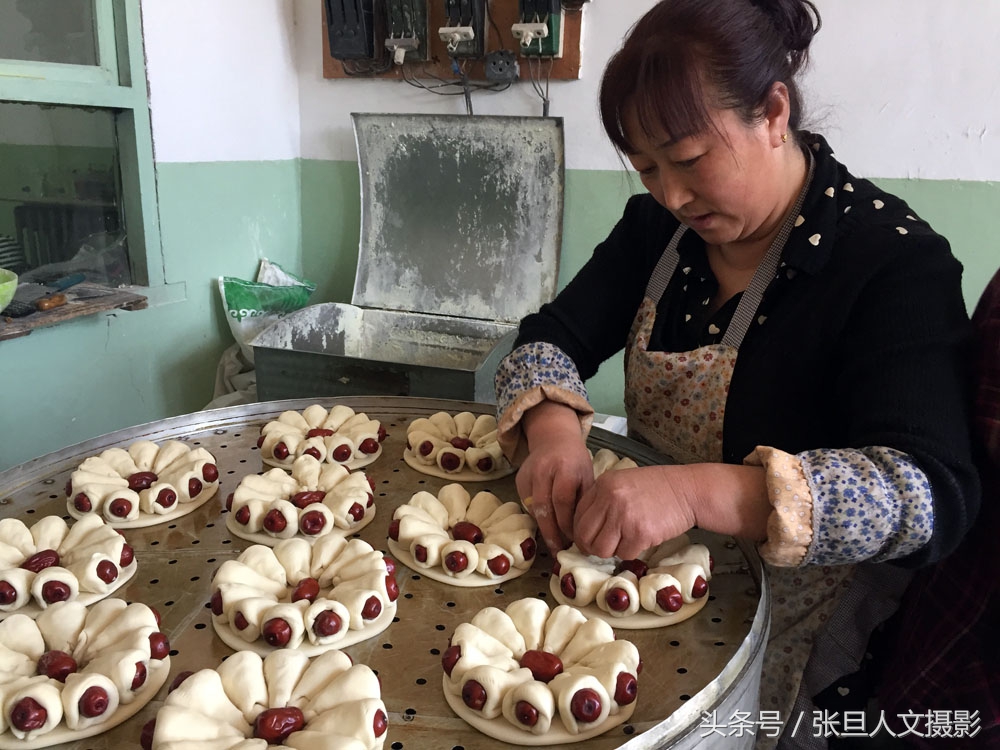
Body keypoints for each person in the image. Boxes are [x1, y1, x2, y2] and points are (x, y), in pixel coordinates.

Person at [493, 1, 981, 747]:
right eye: (647, 168)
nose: (671, 195)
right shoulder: (660, 235)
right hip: (654, 596)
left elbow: (927, 496)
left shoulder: (888, 262)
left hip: (806, 633)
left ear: (772, 111)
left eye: (689, 160)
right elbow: (549, 339)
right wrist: (552, 429)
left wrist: (697, 490)